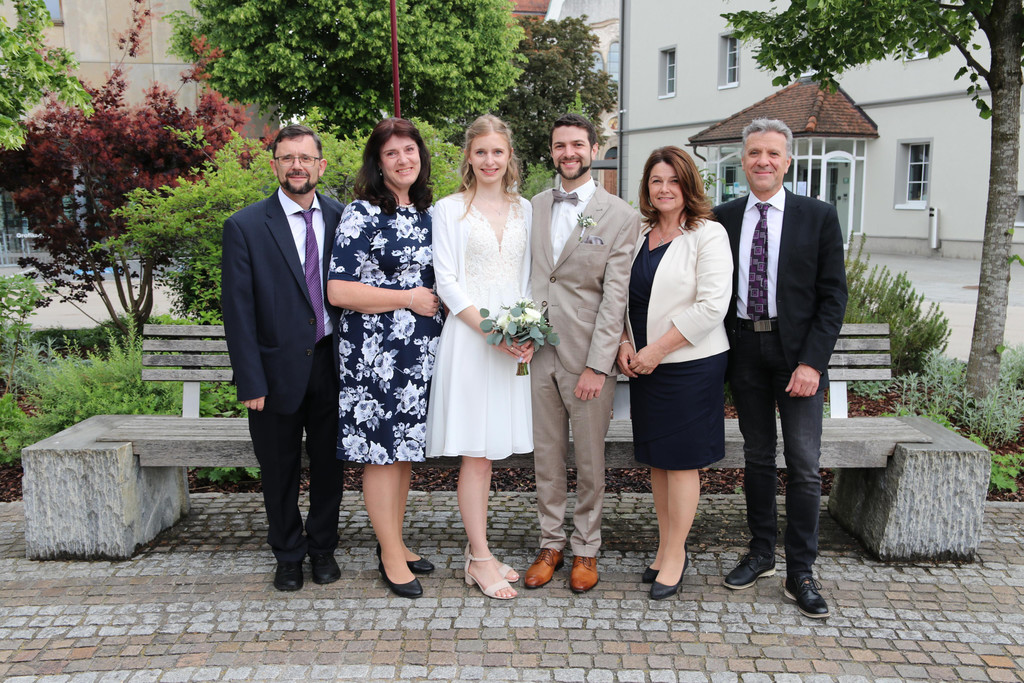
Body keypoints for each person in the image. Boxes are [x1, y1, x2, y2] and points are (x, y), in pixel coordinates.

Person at [713, 118, 848, 619]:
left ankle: (801, 571)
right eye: (754, 153)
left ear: (787, 161)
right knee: (757, 457)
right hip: (745, 350)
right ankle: (761, 553)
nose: (763, 161)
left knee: (805, 465)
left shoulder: (818, 216)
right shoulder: (723, 218)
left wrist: (812, 362)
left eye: (772, 153)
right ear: (743, 160)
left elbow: (833, 298)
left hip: (798, 358)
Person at [221, 124, 346, 592]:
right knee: (278, 469)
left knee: (330, 467)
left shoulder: (342, 218)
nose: (297, 166)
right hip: (273, 372)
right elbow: (238, 310)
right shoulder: (246, 226)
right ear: (275, 165)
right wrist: (249, 379)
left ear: (321, 165)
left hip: (333, 365)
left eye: (305, 158)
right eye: (287, 158)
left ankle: (323, 548)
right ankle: (288, 553)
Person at [327, 118, 443, 599]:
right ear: (378, 163)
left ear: (421, 156)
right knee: (380, 452)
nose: (402, 159)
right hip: (375, 353)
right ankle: (391, 555)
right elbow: (338, 290)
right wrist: (407, 298)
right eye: (391, 153)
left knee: (403, 451)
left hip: (419, 354)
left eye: (409, 150)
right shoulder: (362, 213)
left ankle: (395, 540)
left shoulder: (429, 213)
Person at [524, 113, 640, 593]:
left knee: (590, 462)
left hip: (588, 356)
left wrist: (598, 364)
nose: (568, 153)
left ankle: (586, 547)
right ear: (551, 152)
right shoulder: (534, 206)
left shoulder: (621, 215)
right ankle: (550, 543)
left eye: (577, 145)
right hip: (538, 353)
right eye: (559, 146)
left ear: (594, 150)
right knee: (547, 457)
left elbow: (616, 296)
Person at [616, 146, 732, 600]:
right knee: (659, 462)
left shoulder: (708, 234)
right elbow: (621, 298)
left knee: (682, 462)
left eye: (673, 181)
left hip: (690, 366)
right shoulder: (639, 233)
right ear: (646, 187)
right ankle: (665, 548)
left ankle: (676, 554)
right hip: (645, 365)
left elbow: (712, 306)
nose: (664, 189)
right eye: (656, 181)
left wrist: (656, 350)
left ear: (688, 186)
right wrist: (625, 344)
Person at [426, 114, 533, 600]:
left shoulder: (525, 208)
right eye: (481, 152)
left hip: (512, 343)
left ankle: (478, 553)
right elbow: (446, 281)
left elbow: (528, 278)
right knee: (475, 454)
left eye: (498, 152)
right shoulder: (449, 209)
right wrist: (491, 330)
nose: (490, 160)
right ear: (468, 157)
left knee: (491, 452)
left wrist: (526, 331)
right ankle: (481, 556)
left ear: (510, 157)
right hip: (472, 340)